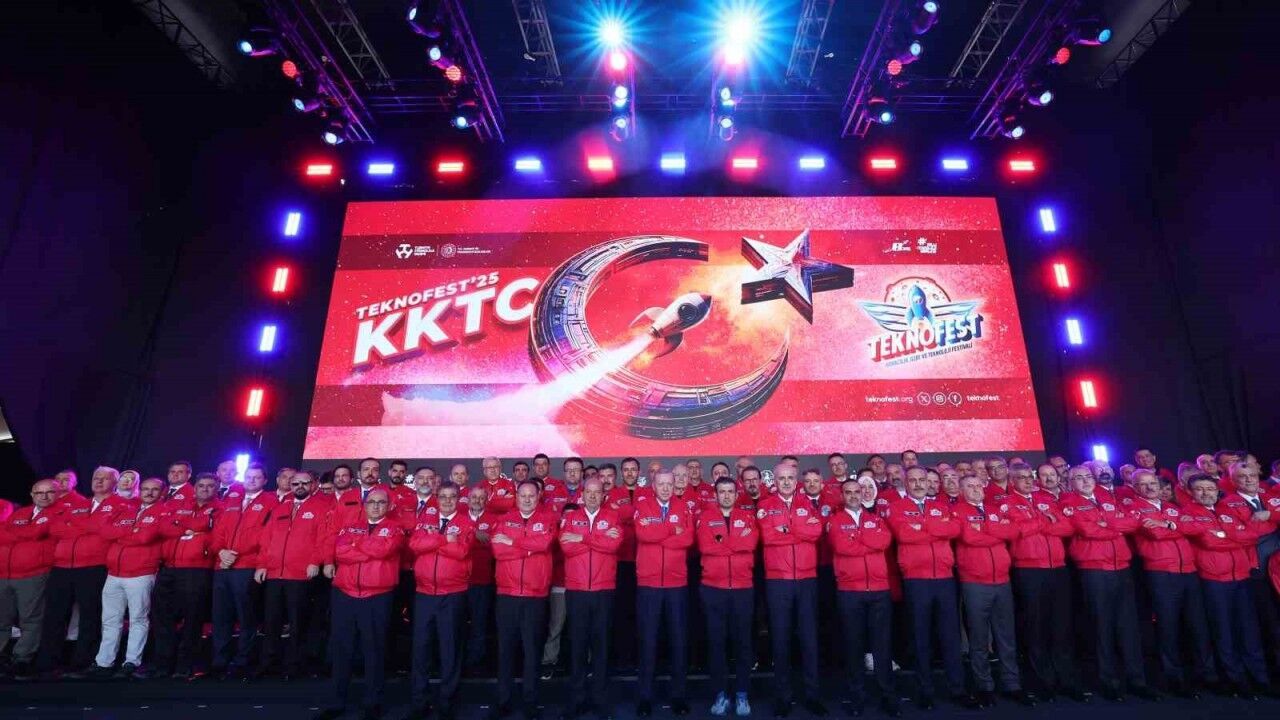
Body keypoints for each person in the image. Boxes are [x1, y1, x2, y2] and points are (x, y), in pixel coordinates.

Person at [1060, 465, 1157, 701]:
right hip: (1094, 570)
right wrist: (1113, 526)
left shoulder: (1107, 498)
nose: (1085, 481)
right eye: (1078, 478)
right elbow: (1088, 530)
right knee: (1102, 626)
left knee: (1128, 627)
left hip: (1122, 568)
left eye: (1088, 476)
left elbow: (1132, 522)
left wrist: (1106, 524)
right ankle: (1109, 682)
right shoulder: (1068, 502)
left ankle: (1137, 680)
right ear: (1070, 482)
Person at [885, 467, 975, 709]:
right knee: (920, 637)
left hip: (945, 578)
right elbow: (904, 534)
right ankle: (925, 691)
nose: (918, 484)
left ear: (928, 482)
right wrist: (936, 528)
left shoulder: (942, 506)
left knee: (950, 636)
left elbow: (954, 529)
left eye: (922, 480)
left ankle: (957, 689)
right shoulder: (896, 507)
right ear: (906, 483)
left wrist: (922, 525)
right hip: (916, 580)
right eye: (912, 480)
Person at [1179, 474, 1274, 698]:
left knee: (1249, 630)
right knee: (1224, 632)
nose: (1206, 493)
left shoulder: (1226, 510)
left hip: (1241, 577)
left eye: (1210, 488)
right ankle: (1236, 680)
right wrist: (1232, 537)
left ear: (1217, 490)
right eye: (1200, 489)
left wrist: (1224, 535)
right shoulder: (1188, 514)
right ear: (1191, 492)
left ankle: (1260, 679)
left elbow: (1251, 536)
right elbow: (1209, 542)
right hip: (1214, 581)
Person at [1122, 469, 1216, 696]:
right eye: (1143, 484)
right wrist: (1176, 526)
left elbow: (1198, 527)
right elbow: (1154, 533)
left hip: (1189, 571)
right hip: (1161, 573)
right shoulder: (1134, 508)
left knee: (1198, 625)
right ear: (1135, 487)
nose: (1150, 487)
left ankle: (1207, 675)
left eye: (1153, 483)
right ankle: (1174, 678)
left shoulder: (1172, 507)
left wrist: (1169, 524)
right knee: (1168, 626)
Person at [315, 487, 403, 720]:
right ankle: (336, 702)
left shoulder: (395, 528)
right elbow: (341, 552)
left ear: (388, 506)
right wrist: (367, 546)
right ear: (364, 505)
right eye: (371, 502)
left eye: (381, 502)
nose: (376, 506)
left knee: (374, 650)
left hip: (377, 595)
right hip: (345, 594)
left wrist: (358, 545)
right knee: (341, 649)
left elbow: (384, 550)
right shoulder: (350, 526)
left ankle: (372, 702)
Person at [38, 466, 126, 677]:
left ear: (115, 483)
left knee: (90, 616)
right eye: (96, 477)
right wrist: (91, 526)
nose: (99, 481)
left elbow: (111, 532)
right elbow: (55, 528)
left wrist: (79, 525)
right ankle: (48, 663)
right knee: (54, 616)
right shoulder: (80, 504)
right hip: (62, 567)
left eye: (104, 478)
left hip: (94, 567)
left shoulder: (122, 505)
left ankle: (82, 662)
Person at [1003, 464, 1081, 701]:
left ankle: (1066, 680)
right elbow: (1016, 530)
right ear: (1012, 481)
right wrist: (1045, 521)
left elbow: (1067, 527)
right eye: (1022, 478)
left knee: (1061, 625)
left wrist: (1039, 521)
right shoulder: (1007, 503)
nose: (1028, 481)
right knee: (1036, 626)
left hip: (1057, 568)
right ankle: (1043, 682)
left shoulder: (1045, 500)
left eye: (1030, 476)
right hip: (1029, 570)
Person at [954, 476, 1032, 707]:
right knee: (979, 638)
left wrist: (987, 529)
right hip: (975, 582)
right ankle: (984, 686)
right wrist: (995, 532)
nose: (976, 489)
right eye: (970, 486)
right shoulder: (957, 511)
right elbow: (969, 538)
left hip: (1002, 581)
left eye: (978, 485)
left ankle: (1012, 684)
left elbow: (1013, 531)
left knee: (1006, 637)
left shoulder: (994, 509)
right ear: (961, 490)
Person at [758, 464, 828, 718]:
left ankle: (812, 696)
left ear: (796, 480)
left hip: (807, 580)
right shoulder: (765, 506)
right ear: (774, 481)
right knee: (781, 639)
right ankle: (783, 698)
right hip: (778, 581)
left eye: (790, 478)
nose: (786, 482)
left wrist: (787, 529)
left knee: (809, 639)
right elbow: (768, 537)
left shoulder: (807, 503)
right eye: (781, 478)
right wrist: (799, 531)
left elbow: (816, 531)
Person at [828, 477, 898, 717]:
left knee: (882, 646)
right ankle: (857, 697)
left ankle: (888, 696)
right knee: (853, 646)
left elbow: (884, 541)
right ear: (842, 496)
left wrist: (858, 538)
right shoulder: (835, 521)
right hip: (850, 592)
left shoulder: (876, 519)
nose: (854, 495)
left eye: (857, 491)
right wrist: (868, 541)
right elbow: (842, 547)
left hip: (879, 590)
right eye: (848, 492)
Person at [489, 479, 557, 720]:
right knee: (505, 651)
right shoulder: (503, 520)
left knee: (532, 651)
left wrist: (513, 542)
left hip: (535, 596)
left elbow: (544, 543)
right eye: (523, 495)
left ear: (538, 497)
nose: (527, 499)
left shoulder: (548, 519)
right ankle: (503, 700)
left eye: (531, 495)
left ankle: (530, 702)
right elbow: (498, 551)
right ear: (516, 497)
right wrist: (529, 549)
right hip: (507, 595)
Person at [407, 481, 475, 720]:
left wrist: (433, 541)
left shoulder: (466, 523)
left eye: (452, 496)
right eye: (443, 496)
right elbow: (415, 545)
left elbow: (462, 552)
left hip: (452, 594)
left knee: (450, 649)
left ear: (458, 499)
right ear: (437, 498)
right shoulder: (425, 520)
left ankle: (447, 702)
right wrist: (445, 539)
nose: (447, 501)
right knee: (421, 649)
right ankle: (419, 702)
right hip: (424, 594)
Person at [255, 470, 330, 680]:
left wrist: (315, 561)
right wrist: (261, 565)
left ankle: (294, 665)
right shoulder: (280, 508)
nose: (299, 487)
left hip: (299, 575)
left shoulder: (321, 508)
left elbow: (323, 539)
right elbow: (266, 540)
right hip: (274, 574)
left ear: (313, 485)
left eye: (304, 483)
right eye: (295, 483)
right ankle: (268, 663)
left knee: (298, 623)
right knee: (271, 622)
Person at [559, 478, 623, 720]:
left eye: (598, 492)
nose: (593, 496)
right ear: (582, 494)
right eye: (589, 492)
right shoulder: (571, 517)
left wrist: (583, 538)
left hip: (603, 591)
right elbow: (566, 547)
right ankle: (576, 701)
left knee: (601, 647)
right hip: (577, 591)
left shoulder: (613, 517)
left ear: (604, 495)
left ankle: (600, 701)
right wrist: (598, 538)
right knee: (577, 646)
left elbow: (613, 546)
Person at [633, 471, 695, 717]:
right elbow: (643, 534)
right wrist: (671, 529)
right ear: (653, 485)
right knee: (648, 642)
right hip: (649, 584)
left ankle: (678, 696)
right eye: (662, 484)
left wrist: (659, 532)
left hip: (676, 584)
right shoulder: (642, 505)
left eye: (670, 484)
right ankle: (645, 697)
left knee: (678, 641)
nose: (667, 488)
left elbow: (688, 538)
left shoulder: (684, 507)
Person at [91, 476, 166, 678]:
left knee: (138, 619)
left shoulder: (163, 511)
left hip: (141, 573)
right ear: (139, 491)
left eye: (154, 489)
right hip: (114, 573)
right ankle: (104, 662)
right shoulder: (128, 509)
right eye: (145, 489)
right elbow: (105, 531)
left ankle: (132, 662)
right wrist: (130, 531)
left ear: (162, 493)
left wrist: (121, 534)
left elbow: (144, 537)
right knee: (110, 619)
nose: (149, 492)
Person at [209, 462, 277, 678]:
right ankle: (220, 659)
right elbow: (218, 532)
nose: (252, 480)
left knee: (246, 616)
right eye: (248, 476)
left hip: (246, 566)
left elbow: (267, 537)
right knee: (221, 615)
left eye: (257, 477)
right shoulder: (232, 499)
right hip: (222, 566)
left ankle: (242, 660)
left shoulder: (271, 502)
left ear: (265, 480)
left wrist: (238, 555)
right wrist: (221, 551)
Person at [698, 476, 758, 717]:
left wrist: (723, 542)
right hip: (713, 589)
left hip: (743, 589)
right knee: (716, 644)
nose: (726, 495)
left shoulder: (748, 517)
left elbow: (750, 543)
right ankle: (720, 694)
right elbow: (705, 547)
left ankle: (742, 694)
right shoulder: (705, 518)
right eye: (721, 491)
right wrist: (735, 542)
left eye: (730, 491)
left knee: (743, 644)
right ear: (715, 495)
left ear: (736, 494)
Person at [152, 472, 218, 679]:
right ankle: (163, 665)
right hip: (169, 568)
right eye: (201, 485)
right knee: (163, 619)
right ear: (194, 488)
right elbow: (162, 527)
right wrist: (191, 530)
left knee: (192, 620)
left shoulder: (221, 508)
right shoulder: (179, 504)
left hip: (197, 569)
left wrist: (183, 526)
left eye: (210, 486)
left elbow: (216, 533)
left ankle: (185, 666)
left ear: (216, 489)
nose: (205, 489)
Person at [0, 479, 57, 679]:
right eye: (39, 492)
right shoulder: (20, 513)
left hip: (33, 574)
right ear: (32, 495)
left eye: (49, 492)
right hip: (4, 574)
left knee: (30, 619)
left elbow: (36, 532)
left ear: (56, 494)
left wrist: (16, 533)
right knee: (2, 619)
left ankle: (22, 659)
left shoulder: (57, 513)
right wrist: (23, 533)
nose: (44, 496)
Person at [606, 456, 647, 673]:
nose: (630, 473)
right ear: (621, 473)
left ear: (639, 472)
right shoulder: (612, 494)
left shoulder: (648, 494)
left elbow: (645, 519)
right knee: (621, 610)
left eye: (633, 469)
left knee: (641, 612)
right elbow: (612, 519)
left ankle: (640, 657)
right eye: (626, 469)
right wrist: (634, 515)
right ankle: (621, 657)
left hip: (644, 562)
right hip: (620, 561)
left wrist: (624, 514)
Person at [464, 485, 497, 673]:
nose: (477, 500)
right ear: (467, 499)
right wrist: (475, 535)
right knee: (457, 623)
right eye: (474, 497)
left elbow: (494, 546)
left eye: (481, 497)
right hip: (458, 581)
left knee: (479, 623)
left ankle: (476, 662)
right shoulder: (459, 518)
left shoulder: (494, 519)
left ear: (486, 500)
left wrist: (466, 538)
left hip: (482, 580)